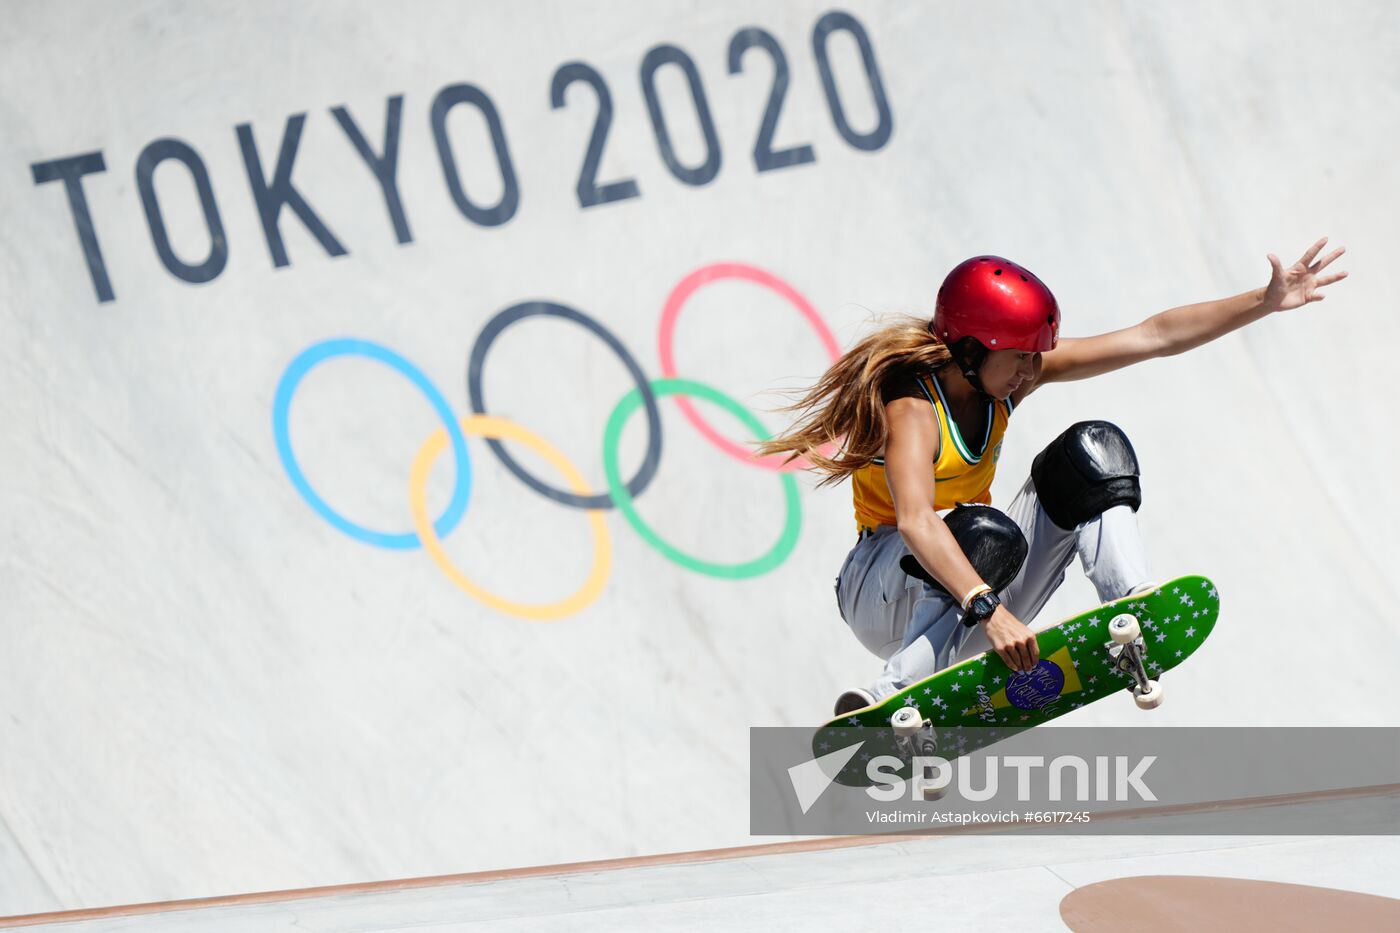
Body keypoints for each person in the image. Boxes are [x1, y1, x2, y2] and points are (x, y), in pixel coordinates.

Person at [754, 240, 1347, 715]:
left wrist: (1264, 301)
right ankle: (894, 693)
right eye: (1020, 357)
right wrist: (990, 611)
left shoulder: (1007, 379)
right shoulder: (911, 410)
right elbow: (914, 521)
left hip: (976, 583)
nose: (1030, 371)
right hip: (882, 590)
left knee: (1093, 451)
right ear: (971, 349)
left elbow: (1152, 336)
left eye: (1036, 357)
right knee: (983, 530)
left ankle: (1131, 611)